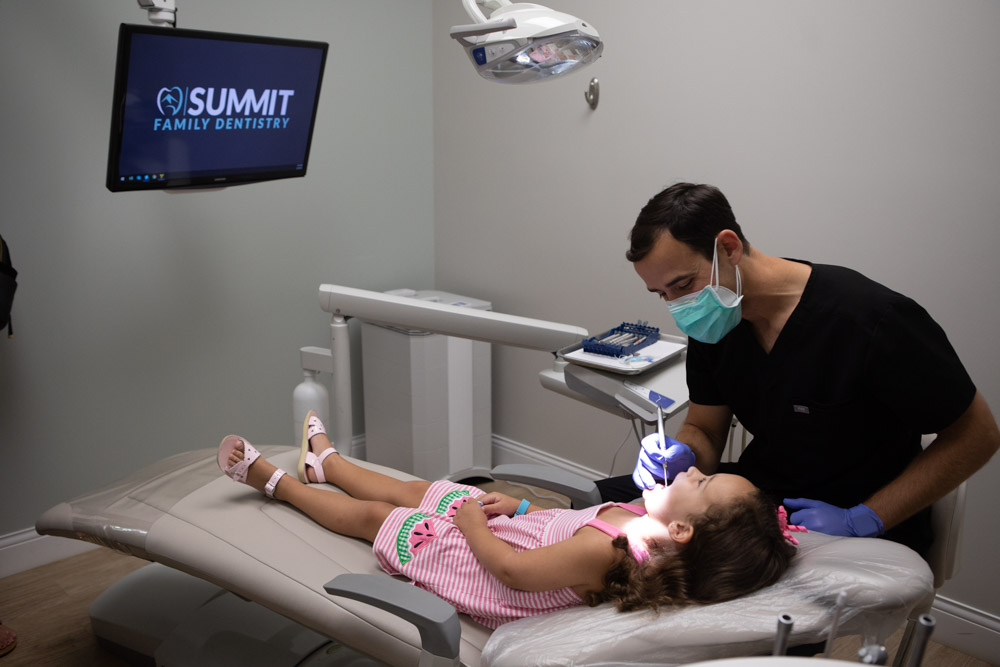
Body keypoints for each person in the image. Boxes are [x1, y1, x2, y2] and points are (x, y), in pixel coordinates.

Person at [602, 182, 1000, 557]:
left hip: (868, 515)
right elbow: (705, 429)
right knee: (603, 513)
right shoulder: (717, 322)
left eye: (684, 284)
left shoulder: (872, 321)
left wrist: (866, 518)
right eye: (663, 295)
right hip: (765, 499)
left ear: (728, 247)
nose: (678, 307)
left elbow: (977, 434)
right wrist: (683, 454)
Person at [219, 412, 796, 629]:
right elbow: (566, 522)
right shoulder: (635, 520)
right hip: (503, 532)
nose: (694, 471)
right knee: (420, 488)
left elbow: (516, 574)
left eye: (704, 483)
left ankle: (278, 483)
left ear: (683, 531)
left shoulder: (613, 551)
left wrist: (472, 526)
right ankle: (329, 462)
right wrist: (521, 509)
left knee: (379, 515)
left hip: (479, 563)